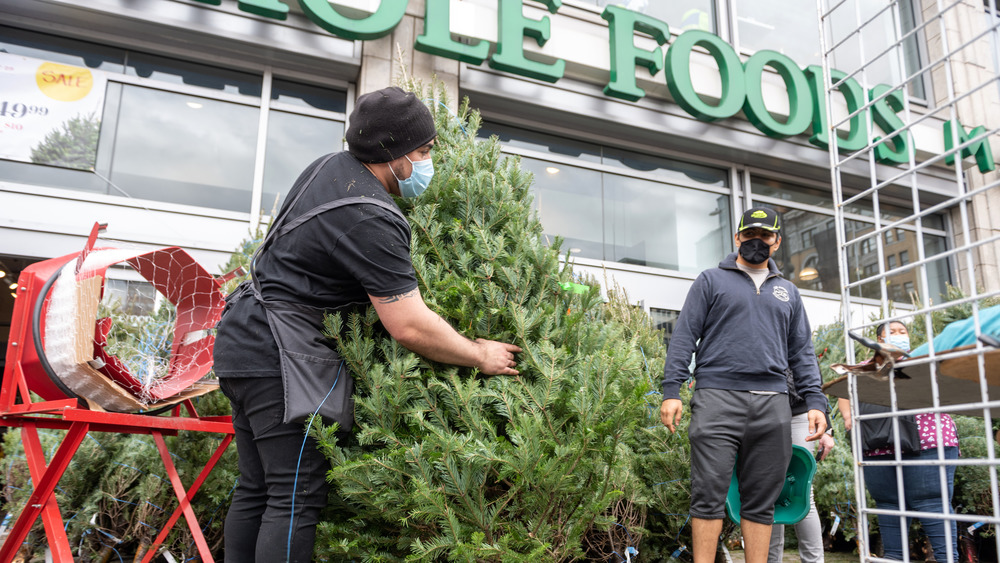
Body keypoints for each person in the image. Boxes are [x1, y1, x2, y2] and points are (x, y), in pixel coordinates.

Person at [212, 86, 522, 563]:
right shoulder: (370, 216)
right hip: (277, 355)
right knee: (293, 497)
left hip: (240, 338)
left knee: (257, 488)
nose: (427, 162)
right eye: (422, 151)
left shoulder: (326, 168)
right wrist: (480, 354)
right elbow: (410, 325)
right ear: (393, 155)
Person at [660, 207, 828, 563]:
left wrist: (816, 401)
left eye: (765, 236)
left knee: (761, 500)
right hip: (717, 398)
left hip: (774, 405)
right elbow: (684, 337)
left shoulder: (788, 292)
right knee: (708, 494)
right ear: (736, 237)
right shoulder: (710, 280)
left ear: (777, 241)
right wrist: (671, 390)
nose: (756, 241)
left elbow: (802, 352)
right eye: (749, 234)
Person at [837, 321, 959, 562]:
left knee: (931, 504)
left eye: (903, 331)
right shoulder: (865, 368)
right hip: (878, 446)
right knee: (888, 507)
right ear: (878, 340)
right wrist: (849, 417)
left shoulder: (924, 359)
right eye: (892, 332)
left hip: (927, 441)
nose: (899, 335)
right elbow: (842, 389)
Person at [768, 379, 836, 563]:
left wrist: (827, 428)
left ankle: (814, 560)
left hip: (800, 413)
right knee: (767, 492)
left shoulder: (800, 349)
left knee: (802, 491)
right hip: (765, 412)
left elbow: (813, 378)